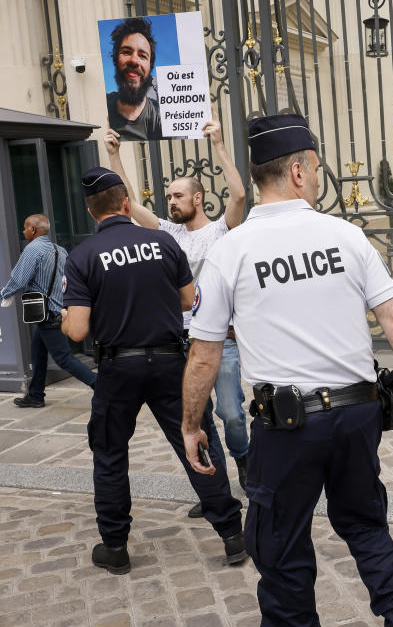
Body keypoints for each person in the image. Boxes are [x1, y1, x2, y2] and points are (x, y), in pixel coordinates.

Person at [180, 113, 393, 627]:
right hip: (356, 416)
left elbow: (205, 354)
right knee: (366, 526)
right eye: (317, 169)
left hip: (287, 429)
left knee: (279, 548)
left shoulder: (230, 250)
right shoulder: (346, 236)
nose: (319, 178)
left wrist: (191, 425)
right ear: (298, 171)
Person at [60, 167, 245, 575]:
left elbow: (76, 329)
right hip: (168, 361)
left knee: (109, 456)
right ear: (126, 203)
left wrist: (65, 317)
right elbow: (189, 300)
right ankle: (232, 535)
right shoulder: (162, 242)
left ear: (92, 212)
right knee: (196, 442)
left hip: (117, 366)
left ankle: (115, 547)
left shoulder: (83, 257)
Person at [105, 109, 249, 512]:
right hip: (181, 342)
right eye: (168, 196)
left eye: (177, 196)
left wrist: (218, 144)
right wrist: (116, 156)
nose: (170, 202)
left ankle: (247, 464)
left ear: (197, 198)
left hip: (222, 340)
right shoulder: (167, 234)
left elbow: (239, 195)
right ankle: (215, 488)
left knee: (232, 415)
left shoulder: (222, 230)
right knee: (198, 420)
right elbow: (130, 204)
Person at [0, 215, 97, 406]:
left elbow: (19, 279)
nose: (23, 231)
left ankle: (101, 385)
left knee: (64, 358)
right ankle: (35, 395)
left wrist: (4, 294)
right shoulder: (59, 250)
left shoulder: (32, 249)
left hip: (48, 313)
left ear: (33, 230)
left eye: (25, 228)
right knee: (38, 352)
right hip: (57, 310)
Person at [106, 17, 162, 141]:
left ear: (150, 67)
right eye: (126, 52)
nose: (134, 61)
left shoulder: (161, 117)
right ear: (116, 60)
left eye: (142, 56)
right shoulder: (103, 105)